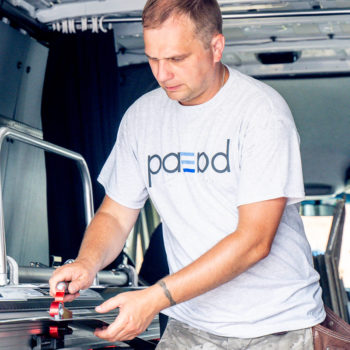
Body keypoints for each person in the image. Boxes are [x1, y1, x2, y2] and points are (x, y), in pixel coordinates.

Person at [49, 0, 326, 348]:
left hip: (276, 325)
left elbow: (254, 241)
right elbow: (116, 214)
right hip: (190, 322)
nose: (162, 74)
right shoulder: (141, 118)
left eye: (176, 59)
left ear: (216, 47)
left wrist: (154, 298)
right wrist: (88, 263)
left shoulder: (261, 113)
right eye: (153, 58)